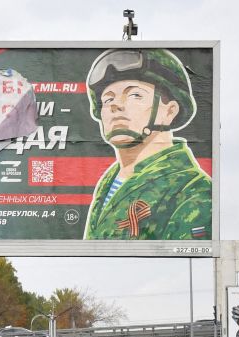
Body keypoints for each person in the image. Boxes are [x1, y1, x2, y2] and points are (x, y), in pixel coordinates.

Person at [83, 49, 212, 240]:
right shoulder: (108, 182)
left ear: (170, 112)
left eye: (135, 95)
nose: (115, 105)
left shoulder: (193, 192)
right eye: (108, 98)